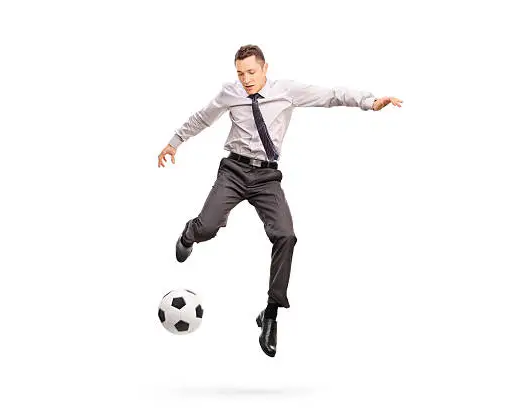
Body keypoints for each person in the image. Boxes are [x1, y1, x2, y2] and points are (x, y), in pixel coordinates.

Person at [157, 44, 402, 357]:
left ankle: (270, 313)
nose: (246, 79)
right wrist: (173, 143)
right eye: (240, 73)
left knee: (286, 235)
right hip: (233, 171)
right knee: (208, 228)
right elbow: (201, 118)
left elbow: (331, 95)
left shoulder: (286, 91)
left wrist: (369, 101)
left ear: (264, 68)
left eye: (251, 72)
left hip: (266, 178)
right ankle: (190, 233)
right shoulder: (230, 93)